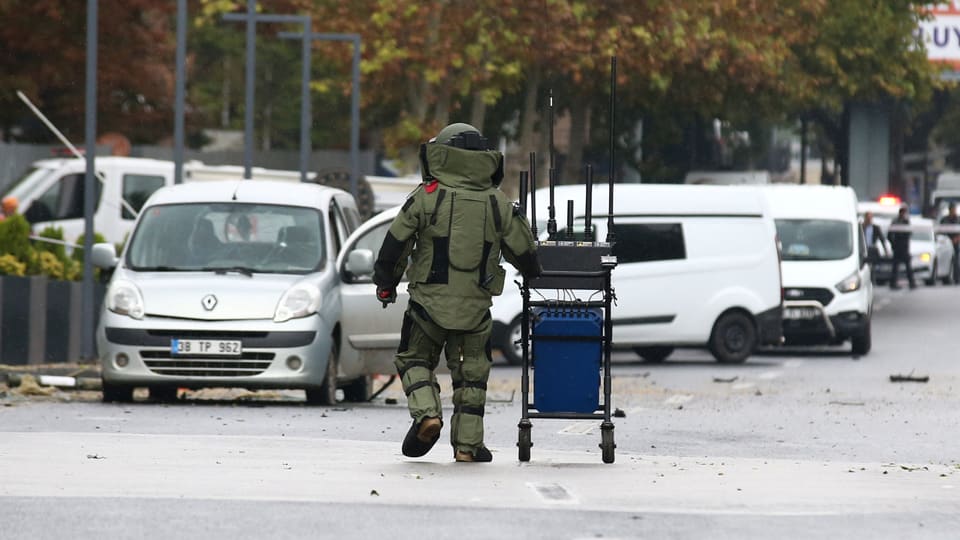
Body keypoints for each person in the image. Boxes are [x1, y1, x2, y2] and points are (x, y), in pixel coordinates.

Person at [373, 123, 541, 463]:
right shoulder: (498, 203)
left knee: (415, 360)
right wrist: (534, 273)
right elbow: (525, 254)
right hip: (475, 311)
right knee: (471, 377)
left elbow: (394, 246)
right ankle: (467, 446)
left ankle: (428, 415)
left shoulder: (427, 196)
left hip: (426, 307)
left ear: (441, 154)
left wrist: (386, 284)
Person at [887, 206, 915, 290]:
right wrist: (893, 244)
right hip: (899, 246)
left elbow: (909, 233)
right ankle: (894, 283)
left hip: (903, 247)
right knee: (896, 266)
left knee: (905, 266)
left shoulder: (905, 222)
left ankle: (911, 283)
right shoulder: (897, 222)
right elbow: (889, 235)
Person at [861, 211, 888, 283]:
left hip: (872, 248)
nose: (869, 219)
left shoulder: (875, 228)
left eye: (870, 218)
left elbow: (882, 239)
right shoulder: (861, 227)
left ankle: (872, 279)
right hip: (863, 249)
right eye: (868, 218)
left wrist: (885, 250)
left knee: (873, 266)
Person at [939, 202, 960, 285]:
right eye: (952, 209)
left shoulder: (958, 219)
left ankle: (956, 278)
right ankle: (946, 278)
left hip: (955, 243)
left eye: (954, 209)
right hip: (945, 243)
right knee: (947, 260)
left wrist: (957, 238)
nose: (953, 211)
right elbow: (939, 230)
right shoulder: (944, 219)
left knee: (955, 261)